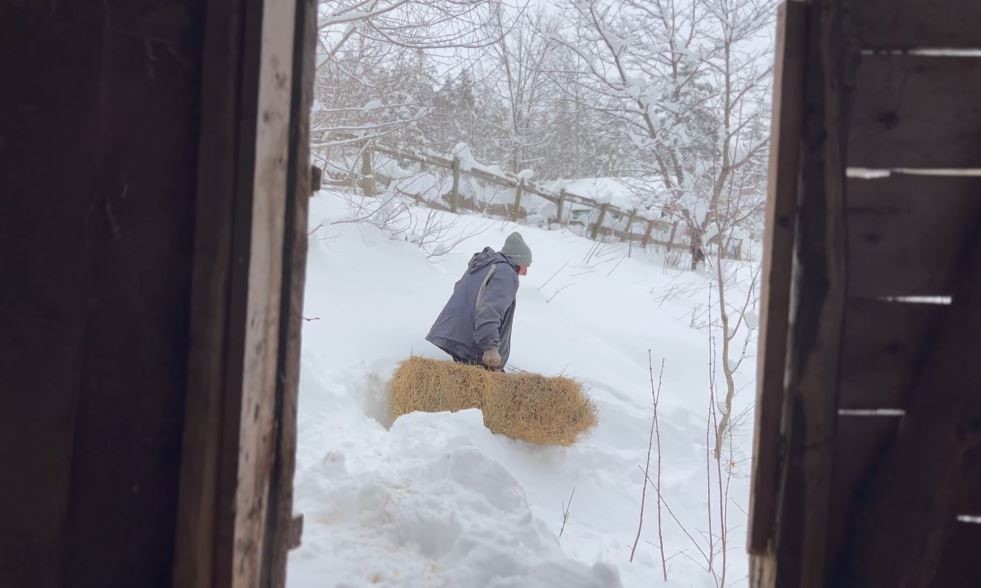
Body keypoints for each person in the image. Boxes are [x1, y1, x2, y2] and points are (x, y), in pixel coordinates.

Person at [426, 232, 532, 370]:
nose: (525, 272)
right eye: (526, 265)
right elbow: (489, 311)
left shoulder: (486, 266)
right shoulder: (506, 273)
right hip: (474, 348)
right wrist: (491, 349)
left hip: (458, 339)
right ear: (517, 261)